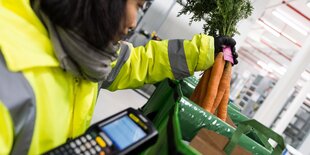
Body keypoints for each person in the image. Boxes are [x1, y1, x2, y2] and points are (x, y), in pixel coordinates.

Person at [0, 0, 238, 154]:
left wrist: (206, 50)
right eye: (137, 5)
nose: (134, 23)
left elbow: (136, 62)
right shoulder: (8, 75)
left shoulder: (86, 51)